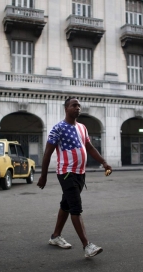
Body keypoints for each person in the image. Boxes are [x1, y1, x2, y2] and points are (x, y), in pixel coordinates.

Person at [37, 97, 112, 258]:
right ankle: (87, 246)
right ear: (66, 108)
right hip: (67, 173)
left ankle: (55, 236)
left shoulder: (82, 128)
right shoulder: (58, 128)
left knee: (66, 204)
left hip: (80, 174)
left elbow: (90, 147)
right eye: (74, 105)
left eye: (79, 105)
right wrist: (43, 176)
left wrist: (104, 163)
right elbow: (48, 153)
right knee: (75, 208)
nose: (78, 108)